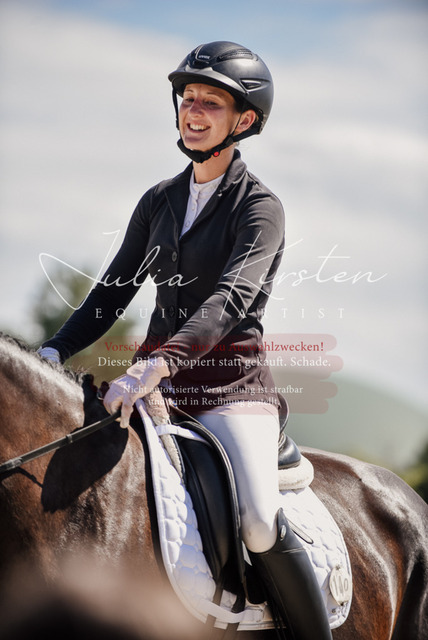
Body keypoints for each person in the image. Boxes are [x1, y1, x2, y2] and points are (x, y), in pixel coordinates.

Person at [39, 41, 332, 639]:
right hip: (151, 388)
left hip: (230, 392)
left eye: (211, 104)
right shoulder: (159, 201)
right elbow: (111, 294)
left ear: (243, 121)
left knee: (258, 521)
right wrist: (50, 353)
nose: (193, 112)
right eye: (187, 99)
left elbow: (229, 302)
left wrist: (158, 365)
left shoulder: (261, 209)